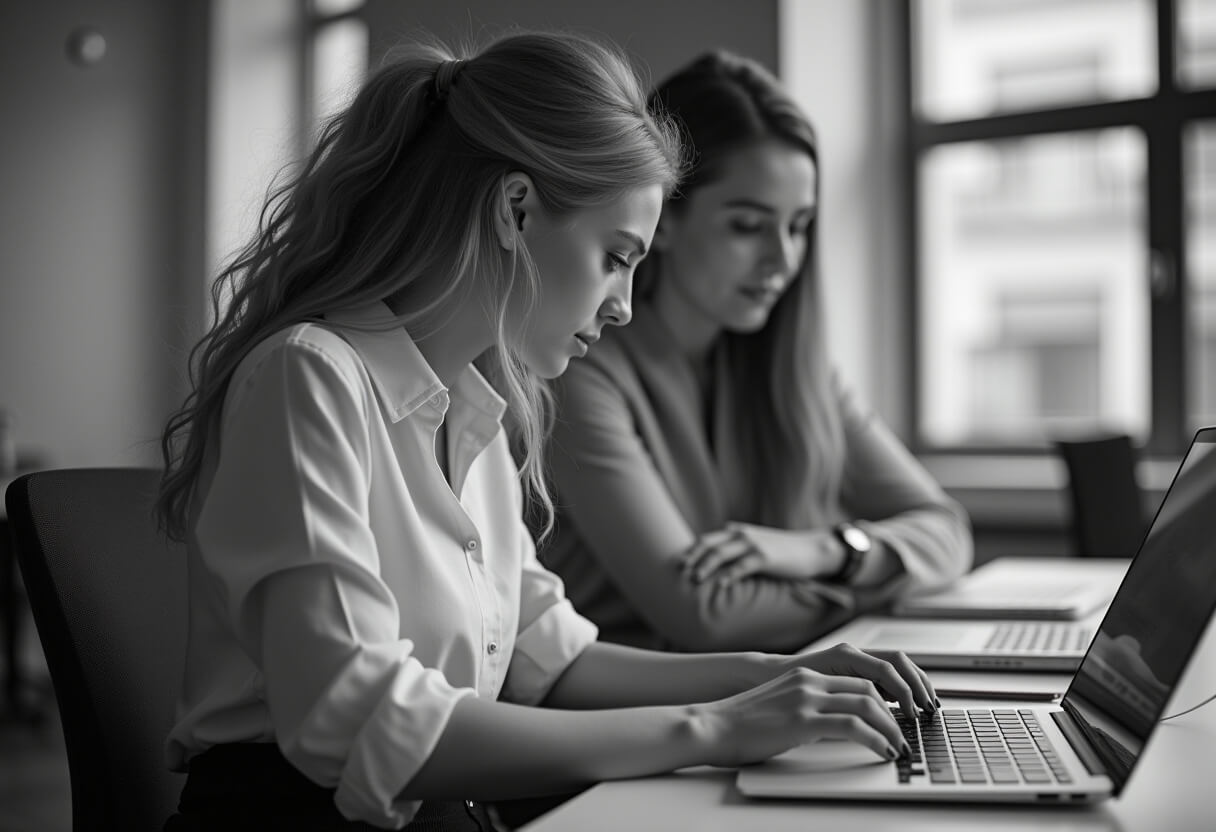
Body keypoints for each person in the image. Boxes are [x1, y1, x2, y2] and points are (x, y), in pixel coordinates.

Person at [155, 32, 939, 832]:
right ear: (516, 209)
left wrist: (781, 676)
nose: (623, 305)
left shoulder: (477, 409)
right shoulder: (309, 375)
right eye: (616, 258)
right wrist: (714, 728)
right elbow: (357, 719)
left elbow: (554, 662)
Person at [540, 50, 973, 655]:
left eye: (799, 226)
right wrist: (878, 584)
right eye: (748, 226)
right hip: (640, 702)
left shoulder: (799, 369)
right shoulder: (578, 371)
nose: (782, 260)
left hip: (768, 686)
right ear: (664, 218)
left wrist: (823, 553)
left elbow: (947, 529)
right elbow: (703, 614)